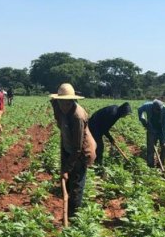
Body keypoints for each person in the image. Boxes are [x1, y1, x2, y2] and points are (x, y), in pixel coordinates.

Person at [50, 83, 97, 218]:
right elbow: (57, 113)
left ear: (72, 101)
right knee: (68, 183)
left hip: (81, 153)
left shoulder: (78, 117)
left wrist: (66, 169)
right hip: (68, 148)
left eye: (67, 102)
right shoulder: (59, 108)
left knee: (76, 185)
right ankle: (69, 213)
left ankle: (73, 218)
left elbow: (77, 148)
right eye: (61, 102)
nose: (63, 105)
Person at [88, 102, 132, 167]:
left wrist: (110, 138)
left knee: (97, 143)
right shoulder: (113, 114)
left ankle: (96, 160)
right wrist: (110, 138)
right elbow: (104, 128)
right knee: (99, 146)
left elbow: (105, 127)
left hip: (98, 124)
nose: (125, 116)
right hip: (94, 125)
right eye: (125, 114)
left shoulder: (117, 111)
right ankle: (98, 164)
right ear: (122, 111)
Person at [138, 99, 165, 168]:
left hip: (162, 131)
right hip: (151, 129)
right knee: (150, 148)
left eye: (160, 110)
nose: (158, 111)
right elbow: (139, 110)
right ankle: (150, 165)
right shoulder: (147, 106)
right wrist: (143, 121)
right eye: (157, 110)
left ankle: (161, 164)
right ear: (153, 108)